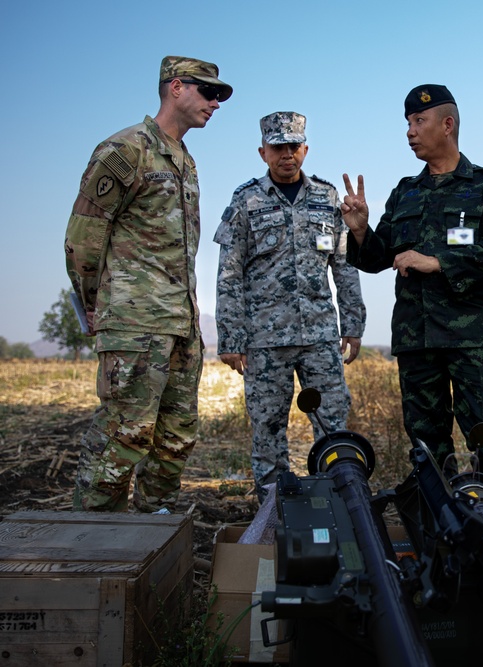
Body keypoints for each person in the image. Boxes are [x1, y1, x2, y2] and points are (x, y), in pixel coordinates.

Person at [342, 85, 483, 529]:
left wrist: (439, 261)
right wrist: (363, 231)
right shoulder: (405, 192)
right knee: (425, 444)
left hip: (468, 340)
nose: (410, 131)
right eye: (407, 123)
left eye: (418, 121)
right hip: (415, 338)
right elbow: (377, 257)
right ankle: (438, 535)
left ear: (447, 124)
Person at [65, 56, 232, 511]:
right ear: (175, 87)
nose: (216, 103)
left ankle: (154, 533)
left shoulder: (185, 161)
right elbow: (83, 238)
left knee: (175, 438)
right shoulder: (125, 150)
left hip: (180, 325)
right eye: (208, 92)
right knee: (124, 435)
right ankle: (94, 546)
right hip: (135, 323)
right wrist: (95, 307)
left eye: (219, 96)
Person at [214, 112, 366, 501]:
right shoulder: (245, 199)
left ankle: (342, 507)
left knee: (333, 425)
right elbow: (229, 274)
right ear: (263, 152)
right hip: (265, 340)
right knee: (267, 431)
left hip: (319, 335)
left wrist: (353, 322)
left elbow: (344, 264)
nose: (287, 155)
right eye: (278, 147)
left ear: (305, 149)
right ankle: (274, 516)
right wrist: (231, 337)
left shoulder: (327, 197)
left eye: (294, 146)